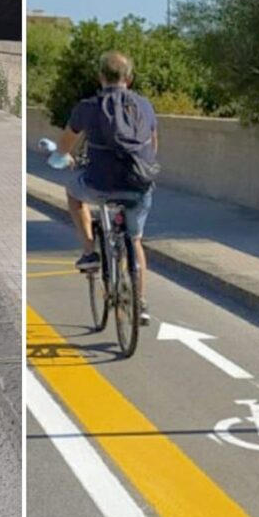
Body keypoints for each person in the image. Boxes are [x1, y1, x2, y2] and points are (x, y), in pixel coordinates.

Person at [50, 51, 158, 325]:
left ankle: (89, 252)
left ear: (100, 78)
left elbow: (65, 144)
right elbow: (153, 147)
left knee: (74, 193)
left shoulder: (88, 107)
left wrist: (63, 158)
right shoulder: (144, 106)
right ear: (129, 79)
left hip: (98, 183)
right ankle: (141, 304)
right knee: (134, 240)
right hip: (138, 184)